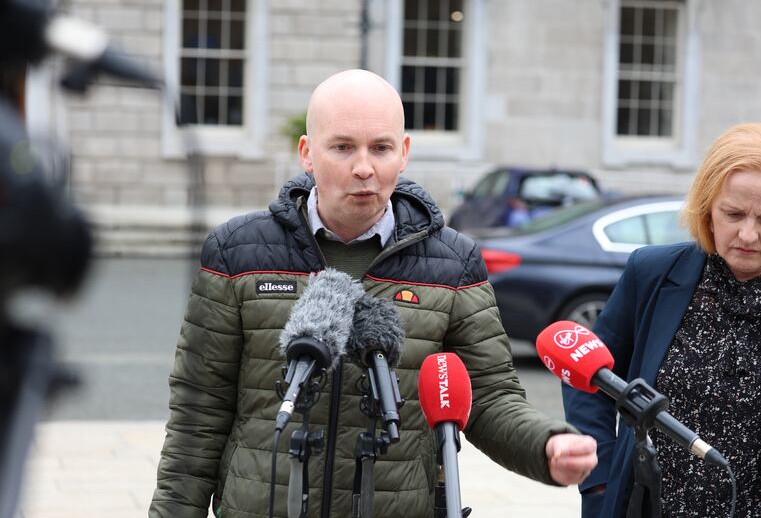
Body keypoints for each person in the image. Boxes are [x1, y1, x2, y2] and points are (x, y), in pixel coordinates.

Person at [149, 69, 597, 518]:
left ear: (403, 154)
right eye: (343, 147)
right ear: (307, 153)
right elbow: (198, 416)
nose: (363, 167)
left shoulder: (454, 262)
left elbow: (489, 397)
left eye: (380, 148)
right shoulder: (236, 250)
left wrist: (546, 445)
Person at [563, 123, 761, 518]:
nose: (747, 233)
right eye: (733, 213)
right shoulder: (651, 273)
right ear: (708, 206)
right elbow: (588, 379)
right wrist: (599, 482)